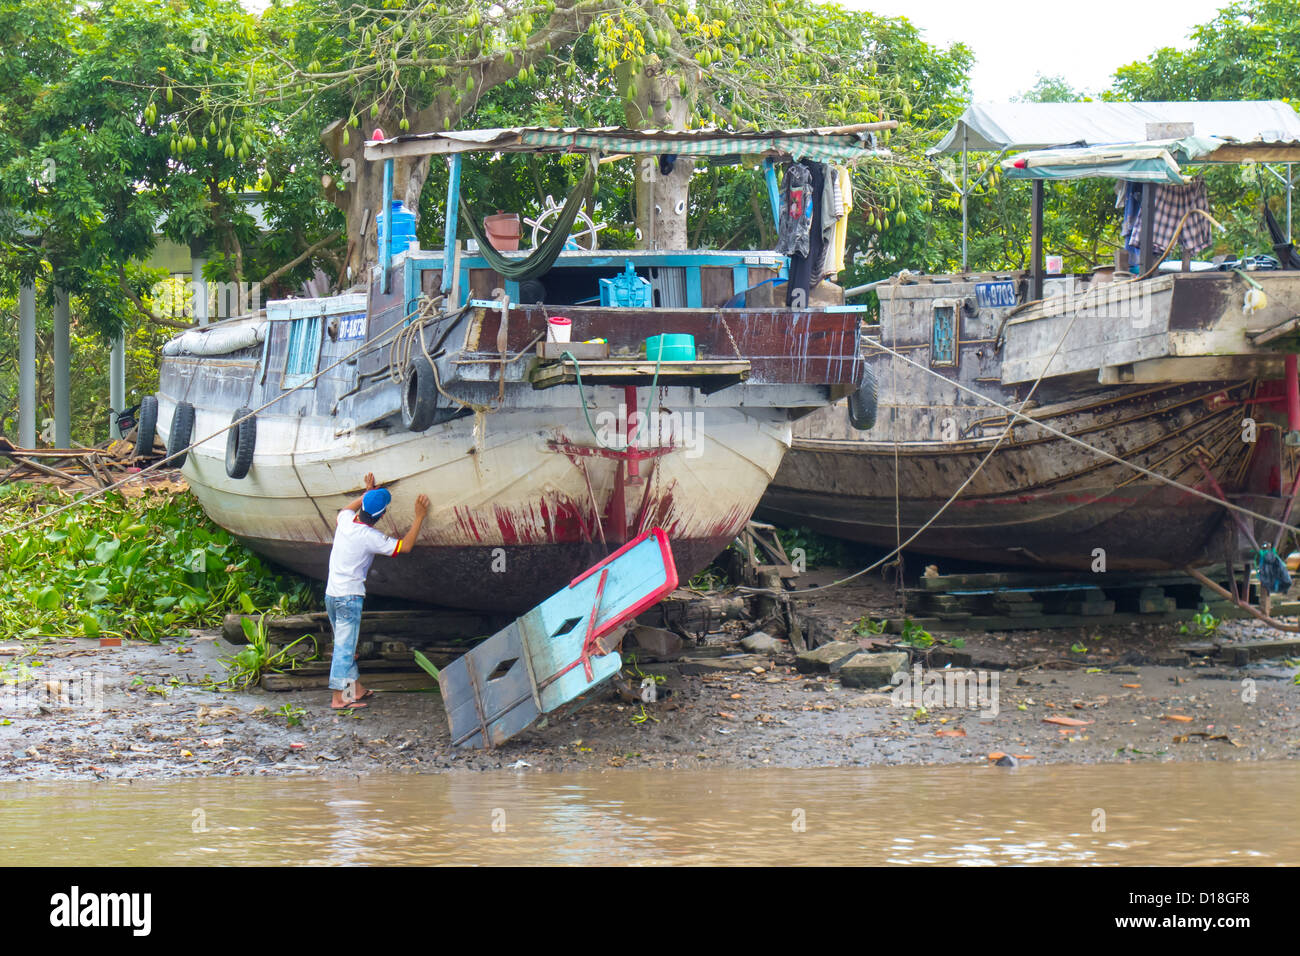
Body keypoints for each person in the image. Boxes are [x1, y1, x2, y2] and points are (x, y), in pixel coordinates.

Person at [325, 473, 429, 710]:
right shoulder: (370, 537)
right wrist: (419, 517)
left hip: (332, 595)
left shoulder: (345, 520)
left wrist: (368, 493)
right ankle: (338, 699)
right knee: (344, 649)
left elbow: (346, 509)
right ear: (382, 515)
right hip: (348, 597)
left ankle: (355, 691)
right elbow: (406, 546)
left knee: (347, 646)